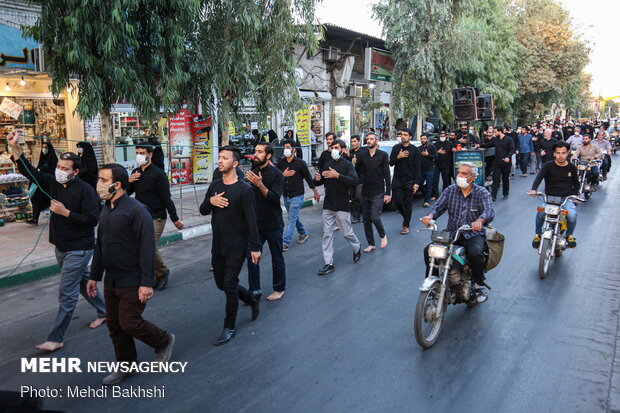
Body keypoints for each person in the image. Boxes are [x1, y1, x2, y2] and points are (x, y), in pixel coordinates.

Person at [7, 131, 106, 352]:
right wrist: (16, 148)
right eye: (58, 166)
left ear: (75, 172)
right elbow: (30, 173)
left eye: (65, 169)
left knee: (67, 291)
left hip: (79, 248)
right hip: (60, 246)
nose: (59, 171)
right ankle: (104, 311)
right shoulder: (53, 183)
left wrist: (66, 212)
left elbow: (93, 219)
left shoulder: (86, 191)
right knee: (82, 282)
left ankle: (56, 337)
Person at [87, 164, 175, 384]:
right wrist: (94, 276)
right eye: (99, 179)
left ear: (117, 184)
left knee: (130, 323)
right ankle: (125, 365)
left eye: (103, 180)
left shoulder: (137, 210)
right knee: (115, 326)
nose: (99, 184)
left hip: (133, 278)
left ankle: (163, 340)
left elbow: (147, 249)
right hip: (112, 278)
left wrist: (147, 282)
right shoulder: (106, 208)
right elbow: (101, 245)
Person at [200, 147, 261, 345]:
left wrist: (255, 247)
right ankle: (251, 298)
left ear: (235, 164)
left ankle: (229, 327)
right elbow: (203, 210)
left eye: (224, 158)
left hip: (237, 245)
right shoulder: (215, 185)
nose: (220, 161)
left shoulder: (244, 190)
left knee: (229, 283)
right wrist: (211, 200)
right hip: (218, 243)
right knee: (222, 284)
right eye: (219, 157)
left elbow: (252, 220)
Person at [421, 162, 495, 302]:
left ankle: (479, 284)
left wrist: (480, 221)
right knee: (429, 251)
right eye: (459, 173)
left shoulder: (482, 193)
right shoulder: (450, 190)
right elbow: (438, 207)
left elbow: (489, 211)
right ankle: (433, 281)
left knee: (475, 253)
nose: (459, 176)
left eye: (464, 174)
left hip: (473, 234)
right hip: (452, 233)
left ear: (472, 177)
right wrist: (429, 217)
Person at [127, 144, 185, 290]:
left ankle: (162, 272)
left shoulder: (158, 174)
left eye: (142, 153)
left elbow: (166, 198)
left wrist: (175, 218)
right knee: (140, 247)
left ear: (150, 155)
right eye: (137, 152)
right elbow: (127, 194)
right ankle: (151, 276)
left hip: (156, 216)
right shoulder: (135, 172)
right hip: (140, 215)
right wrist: (130, 181)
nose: (139, 155)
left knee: (148, 246)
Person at [244, 142, 286, 302]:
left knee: (277, 258)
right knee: (252, 257)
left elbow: (275, 199)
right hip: (255, 224)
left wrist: (259, 184)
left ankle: (279, 288)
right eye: (255, 151)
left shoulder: (277, 174)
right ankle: (254, 290)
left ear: (268, 156)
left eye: (260, 152)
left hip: (273, 224)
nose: (256, 154)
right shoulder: (252, 172)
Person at [313, 139, 361, 275]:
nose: (333, 149)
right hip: (328, 203)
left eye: (336, 147)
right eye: (332, 147)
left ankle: (357, 247)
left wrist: (337, 175)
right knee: (327, 234)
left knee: (346, 233)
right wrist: (316, 179)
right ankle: (329, 263)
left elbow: (354, 180)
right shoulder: (327, 164)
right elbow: (319, 181)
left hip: (342, 204)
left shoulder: (347, 165)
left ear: (342, 149)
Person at [529, 141, 580, 248]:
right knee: (541, 213)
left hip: (566, 199)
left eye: (563, 153)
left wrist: (575, 196)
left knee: (572, 215)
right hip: (550, 199)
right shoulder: (548, 166)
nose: (560, 156)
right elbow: (539, 178)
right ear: (554, 154)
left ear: (568, 153)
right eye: (558, 153)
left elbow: (576, 184)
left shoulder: (572, 168)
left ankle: (569, 235)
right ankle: (537, 235)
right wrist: (534, 189)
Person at [278, 139, 320, 251]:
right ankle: (303, 233)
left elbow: (308, 179)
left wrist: (315, 192)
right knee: (294, 216)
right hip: (286, 195)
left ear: (294, 149)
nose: (286, 149)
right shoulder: (281, 163)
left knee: (291, 218)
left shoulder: (300, 163)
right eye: (285, 147)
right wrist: (283, 174)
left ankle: (285, 242)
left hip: (298, 195)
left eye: (288, 147)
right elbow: (276, 177)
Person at [356, 133, 391, 252]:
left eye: (371, 139)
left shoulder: (383, 155)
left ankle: (382, 235)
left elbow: (387, 175)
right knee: (366, 219)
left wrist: (388, 193)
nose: (369, 141)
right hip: (365, 191)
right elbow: (357, 171)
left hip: (378, 191)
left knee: (375, 217)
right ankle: (371, 244)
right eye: (367, 139)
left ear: (376, 141)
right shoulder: (362, 155)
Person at [389, 128, 421, 235]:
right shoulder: (396, 148)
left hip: (410, 180)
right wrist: (399, 156)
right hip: (397, 179)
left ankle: (406, 225)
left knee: (408, 204)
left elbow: (417, 168)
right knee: (397, 202)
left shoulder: (415, 150)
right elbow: (391, 163)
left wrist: (416, 183)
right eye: (401, 134)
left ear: (410, 137)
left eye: (405, 135)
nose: (403, 136)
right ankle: (405, 217)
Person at [480, 126, 515, 201]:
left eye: (495, 132)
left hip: (506, 163)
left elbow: (512, 149)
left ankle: (505, 193)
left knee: (505, 179)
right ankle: (493, 196)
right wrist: (479, 145)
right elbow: (489, 144)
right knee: (495, 179)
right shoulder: (496, 140)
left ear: (500, 131)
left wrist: (508, 157)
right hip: (497, 162)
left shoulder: (509, 139)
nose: (494, 133)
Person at [28, 141, 58, 225]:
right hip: (41, 184)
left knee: (51, 202)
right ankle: (35, 218)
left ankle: (55, 218)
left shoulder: (53, 159)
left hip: (49, 185)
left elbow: (52, 170)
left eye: (46, 147)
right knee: (36, 199)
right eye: (43, 147)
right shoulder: (42, 159)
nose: (44, 149)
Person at [349, 135, 367, 224]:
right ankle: (356, 216)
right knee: (353, 198)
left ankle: (364, 215)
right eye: (352, 141)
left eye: (354, 141)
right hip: (352, 179)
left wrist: (352, 158)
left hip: (361, 179)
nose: (353, 143)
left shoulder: (363, 151)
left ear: (359, 142)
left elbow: (361, 162)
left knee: (359, 197)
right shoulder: (350, 152)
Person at [432, 131, 453, 199]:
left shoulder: (449, 144)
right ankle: (435, 195)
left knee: (446, 180)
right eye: (441, 136)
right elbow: (431, 153)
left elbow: (453, 152)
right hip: (437, 164)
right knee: (435, 180)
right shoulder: (435, 144)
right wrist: (437, 152)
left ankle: (446, 194)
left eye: (443, 136)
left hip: (446, 164)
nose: (442, 137)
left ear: (446, 136)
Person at [418, 133, 437, 207]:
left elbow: (436, 156)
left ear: (427, 139)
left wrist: (428, 155)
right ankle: (427, 195)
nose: (423, 140)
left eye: (424, 139)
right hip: (421, 170)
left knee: (429, 185)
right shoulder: (419, 148)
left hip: (430, 169)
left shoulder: (432, 147)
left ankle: (426, 201)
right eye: (422, 139)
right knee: (419, 184)